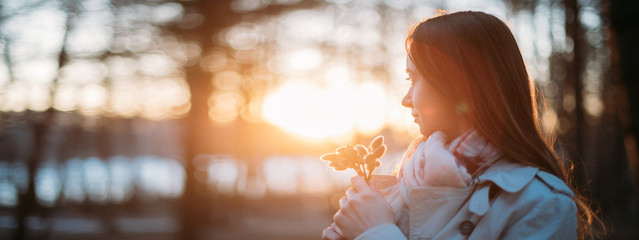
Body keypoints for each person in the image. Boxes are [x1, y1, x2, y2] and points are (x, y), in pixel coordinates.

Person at [322, 11, 600, 240]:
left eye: (414, 79)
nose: (406, 100)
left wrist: (376, 232)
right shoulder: (406, 181)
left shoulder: (541, 204)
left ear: (459, 86)